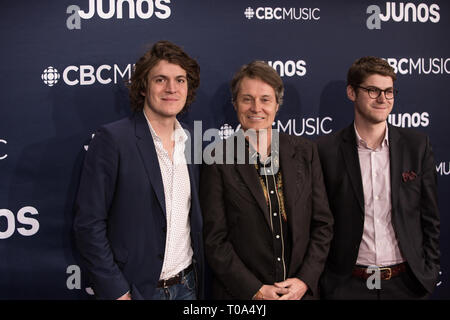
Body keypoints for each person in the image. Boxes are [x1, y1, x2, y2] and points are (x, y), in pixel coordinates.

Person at [73, 40, 204, 300]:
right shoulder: (113, 139)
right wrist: (117, 291)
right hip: (137, 291)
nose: (171, 89)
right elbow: (89, 223)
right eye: (160, 80)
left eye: (180, 80)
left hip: (188, 286)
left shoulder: (192, 140)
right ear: (143, 86)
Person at [200, 61, 333, 300]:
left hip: (300, 294)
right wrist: (255, 290)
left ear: (277, 105)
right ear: (234, 104)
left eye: (265, 99)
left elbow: (322, 224)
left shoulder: (305, 151)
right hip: (242, 297)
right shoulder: (216, 158)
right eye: (247, 99)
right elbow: (215, 240)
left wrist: (305, 280)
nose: (256, 108)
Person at [317, 56, 440, 300]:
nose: (383, 98)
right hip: (347, 286)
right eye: (373, 90)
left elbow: (430, 218)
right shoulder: (325, 150)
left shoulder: (417, 146)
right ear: (352, 92)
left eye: (389, 91)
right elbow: (319, 221)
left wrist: (429, 271)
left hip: (407, 285)